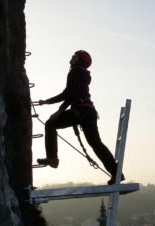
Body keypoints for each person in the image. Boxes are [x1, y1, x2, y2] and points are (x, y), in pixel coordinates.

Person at [37, 50, 124, 185]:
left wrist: (56, 109)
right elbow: (72, 94)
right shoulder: (82, 72)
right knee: (96, 144)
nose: (72, 57)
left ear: (79, 60)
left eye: (75, 55)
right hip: (88, 112)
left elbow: (69, 94)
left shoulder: (75, 71)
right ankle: (117, 174)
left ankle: (52, 159)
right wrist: (49, 103)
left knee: (50, 124)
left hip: (80, 111)